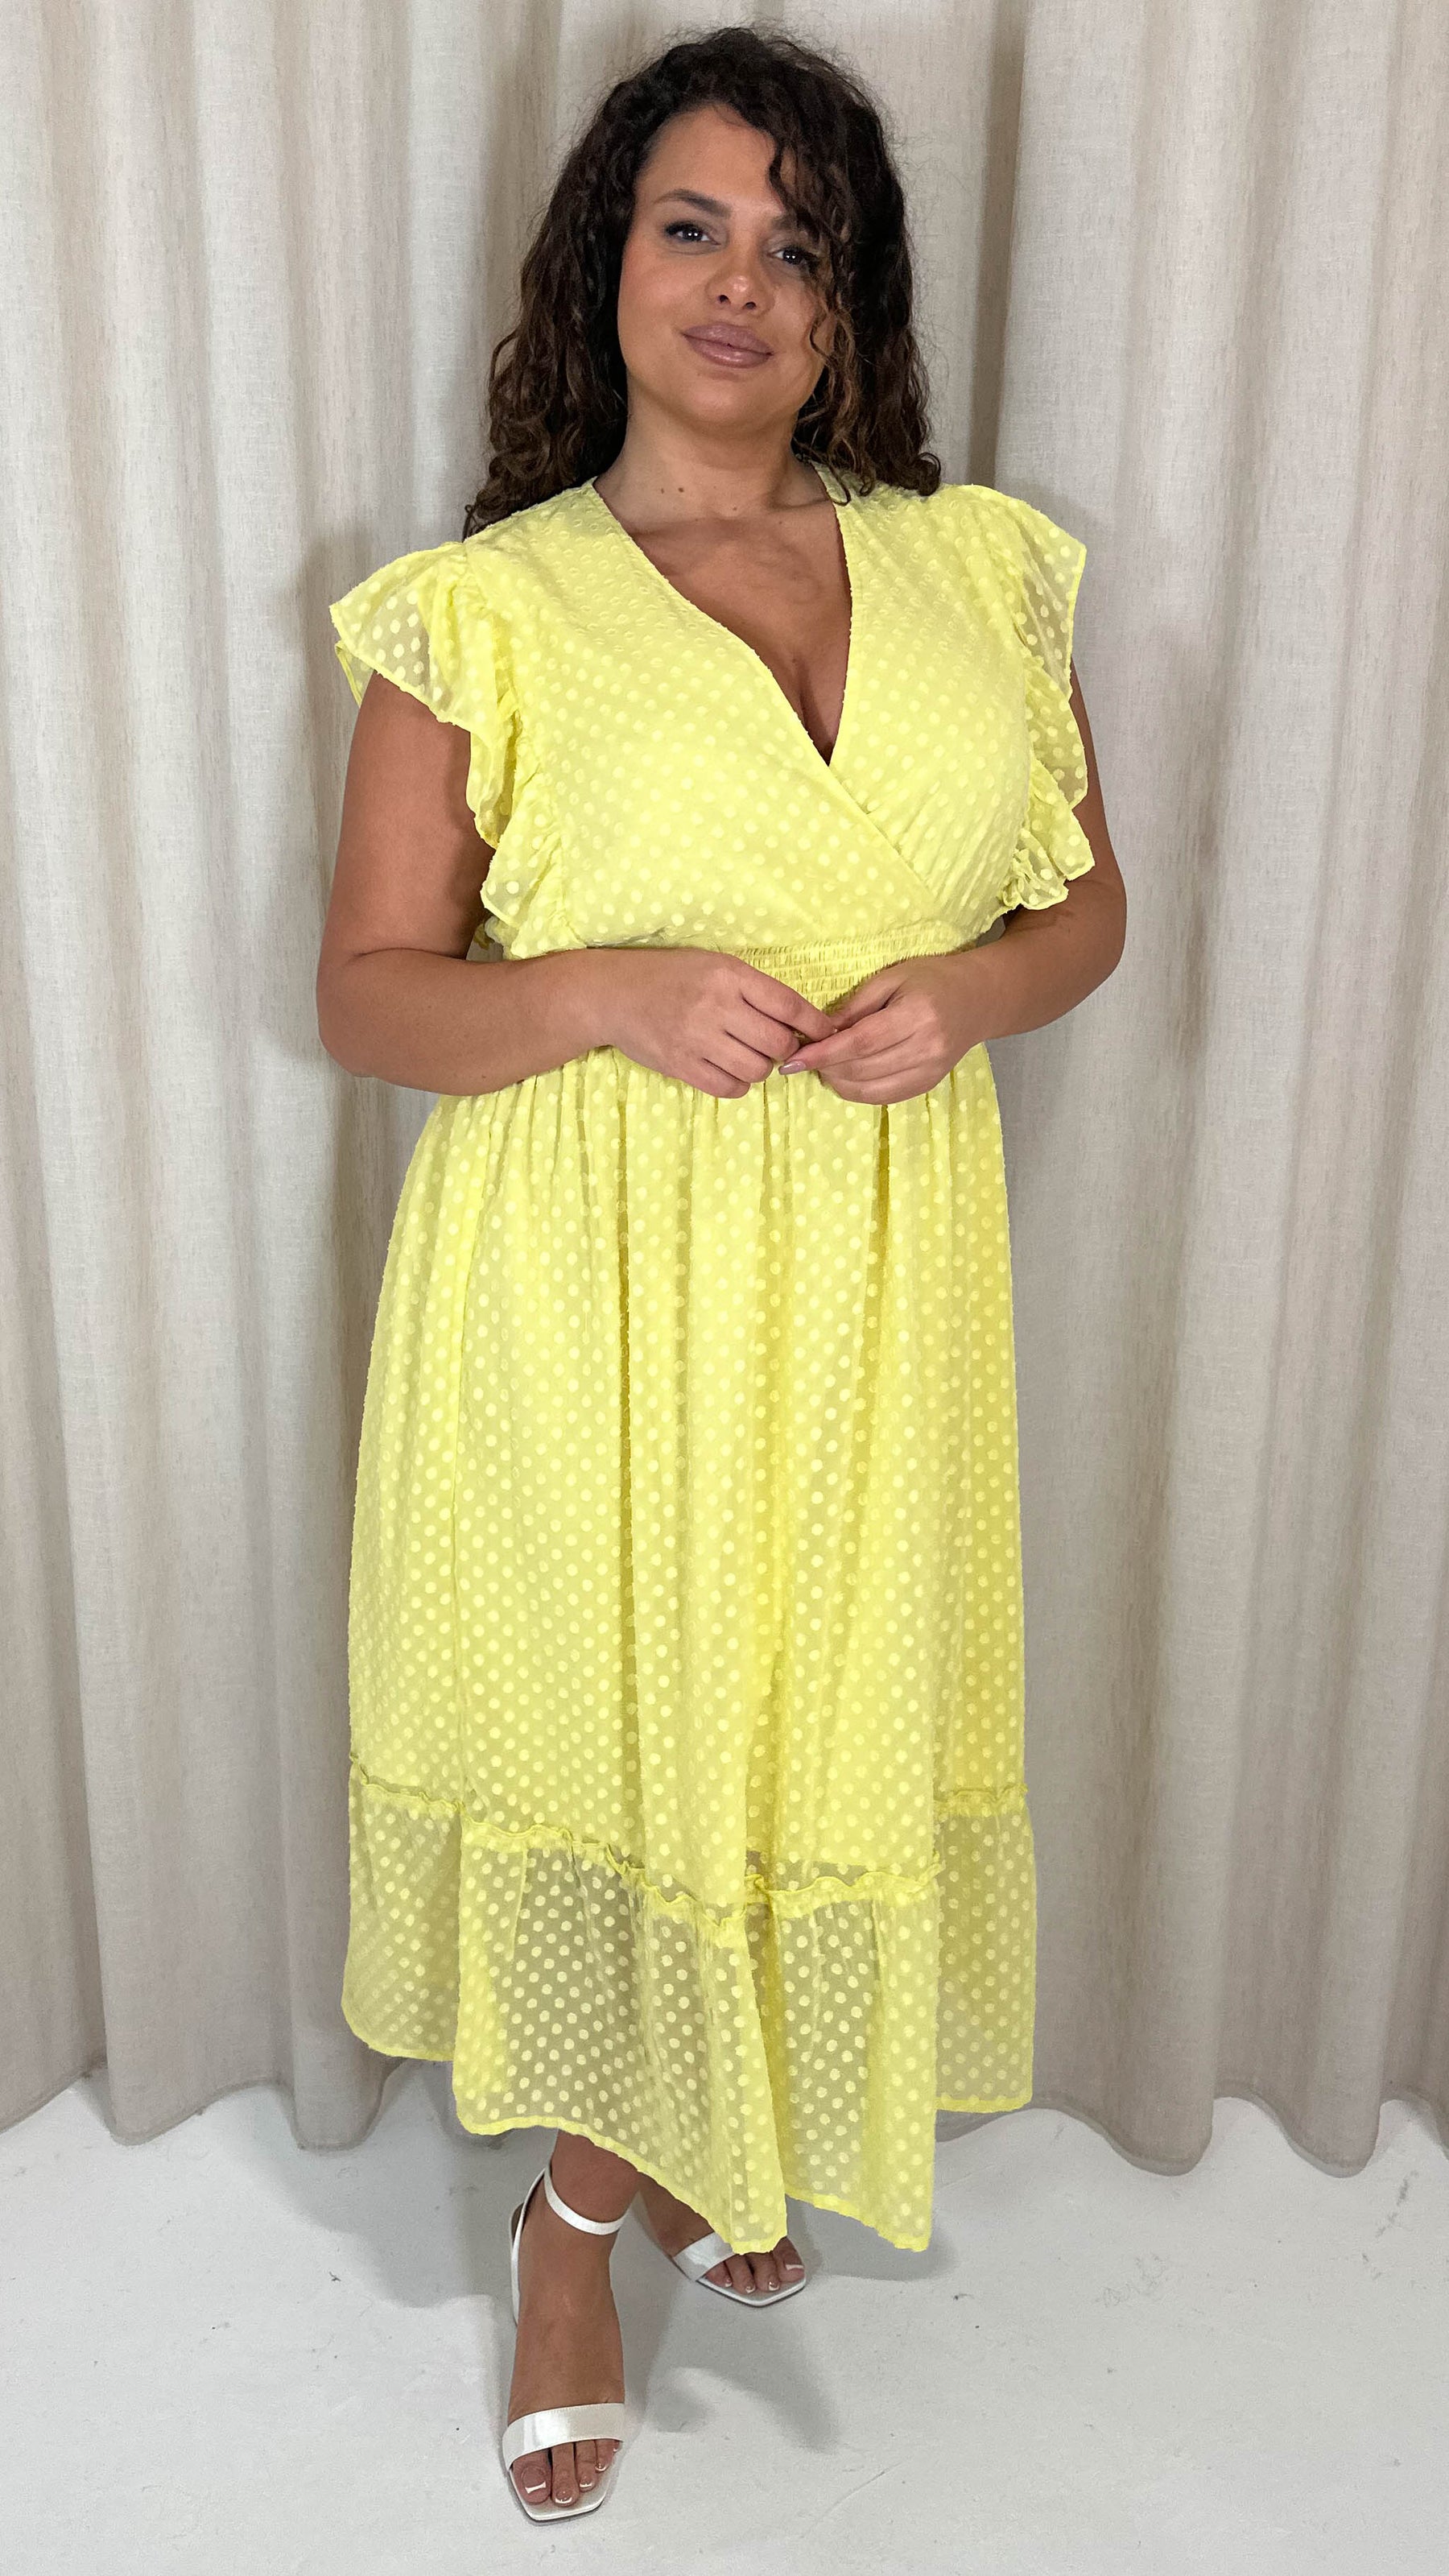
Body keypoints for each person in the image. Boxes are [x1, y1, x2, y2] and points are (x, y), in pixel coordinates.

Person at [317, 23, 1125, 2528]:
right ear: (609, 263)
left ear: (853, 298)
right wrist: (607, 989)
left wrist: (969, 994)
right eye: (694, 226)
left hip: (881, 1285)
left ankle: (710, 2130)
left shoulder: (984, 571)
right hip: (588, 1297)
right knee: (634, 1733)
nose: (743, 281)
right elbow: (368, 998)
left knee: (806, 1724)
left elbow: (1086, 908)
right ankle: (579, 2225)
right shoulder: (485, 613)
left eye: (800, 242)